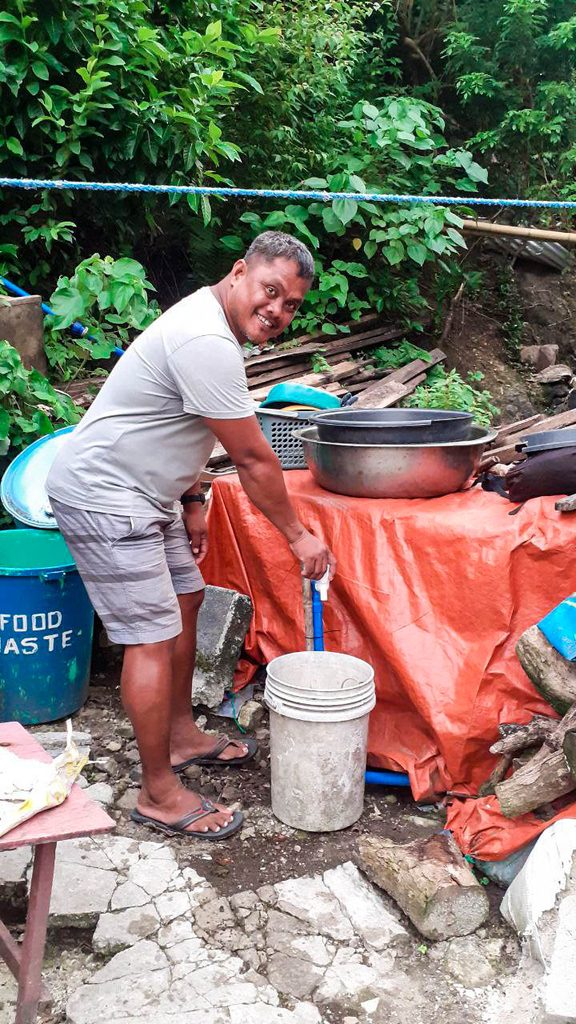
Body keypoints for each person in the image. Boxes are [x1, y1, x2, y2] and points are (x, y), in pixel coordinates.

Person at [46, 231, 335, 841]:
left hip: (148, 493)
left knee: (187, 600)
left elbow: (178, 423)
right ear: (239, 273)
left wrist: (194, 497)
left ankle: (179, 737)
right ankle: (158, 792)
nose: (278, 311)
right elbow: (255, 460)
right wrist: (299, 536)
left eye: (292, 305)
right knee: (150, 637)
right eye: (271, 292)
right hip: (105, 495)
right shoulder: (206, 340)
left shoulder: (213, 327)